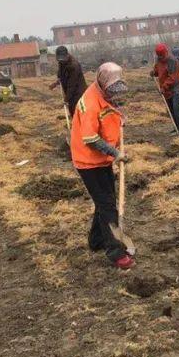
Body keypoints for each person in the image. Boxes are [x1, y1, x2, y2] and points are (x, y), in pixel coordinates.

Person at [70, 62, 134, 270]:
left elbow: (110, 110)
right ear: (102, 82)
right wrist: (116, 154)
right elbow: (90, 138)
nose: (113, 95)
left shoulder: (104, 94)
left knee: (104, 200)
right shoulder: (90, 102)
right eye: (111, 90)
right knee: (107, 205)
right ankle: (115, 251)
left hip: (101, 160)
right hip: (88, 162)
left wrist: (120, 118)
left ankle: (96, 240)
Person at [150, 43, 179, 136]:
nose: (162, 58)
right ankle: (176, 128)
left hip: (175, 87)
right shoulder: (158, 60)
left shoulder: (172, 61)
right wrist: (154, 72)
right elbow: (158, 71)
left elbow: (172, 78)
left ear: (166, 52)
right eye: (160, 56)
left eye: (162, 55)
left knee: (176, 108)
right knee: (170, 109)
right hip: (165, 89)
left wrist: (164, 87)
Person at [49, 45, 87, 116]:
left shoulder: (74, 66)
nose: (61, 61)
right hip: (70, 94)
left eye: (63, 59)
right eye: (59, 59)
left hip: (78, 94)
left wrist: (65, 100)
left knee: (79, 114)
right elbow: (61, 76)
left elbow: (71, 86)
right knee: (73, 112)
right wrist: (56, 83)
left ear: (67, 55)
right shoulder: (62, 62)